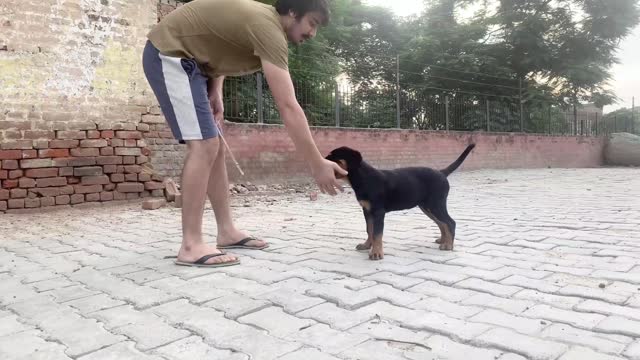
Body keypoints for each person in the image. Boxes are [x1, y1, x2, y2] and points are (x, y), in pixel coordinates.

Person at [142, 0, 347, 267]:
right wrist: (316, 162)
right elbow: (287, 106)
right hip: (170, 53)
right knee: (204, 145)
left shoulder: (264, 23)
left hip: (195, 64)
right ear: (293, 12)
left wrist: (215, 89)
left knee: (215, 148)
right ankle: (191, 244)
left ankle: (226, 231)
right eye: (312, 23)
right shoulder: (269, 28)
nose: (312, 33)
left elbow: (217, 42)